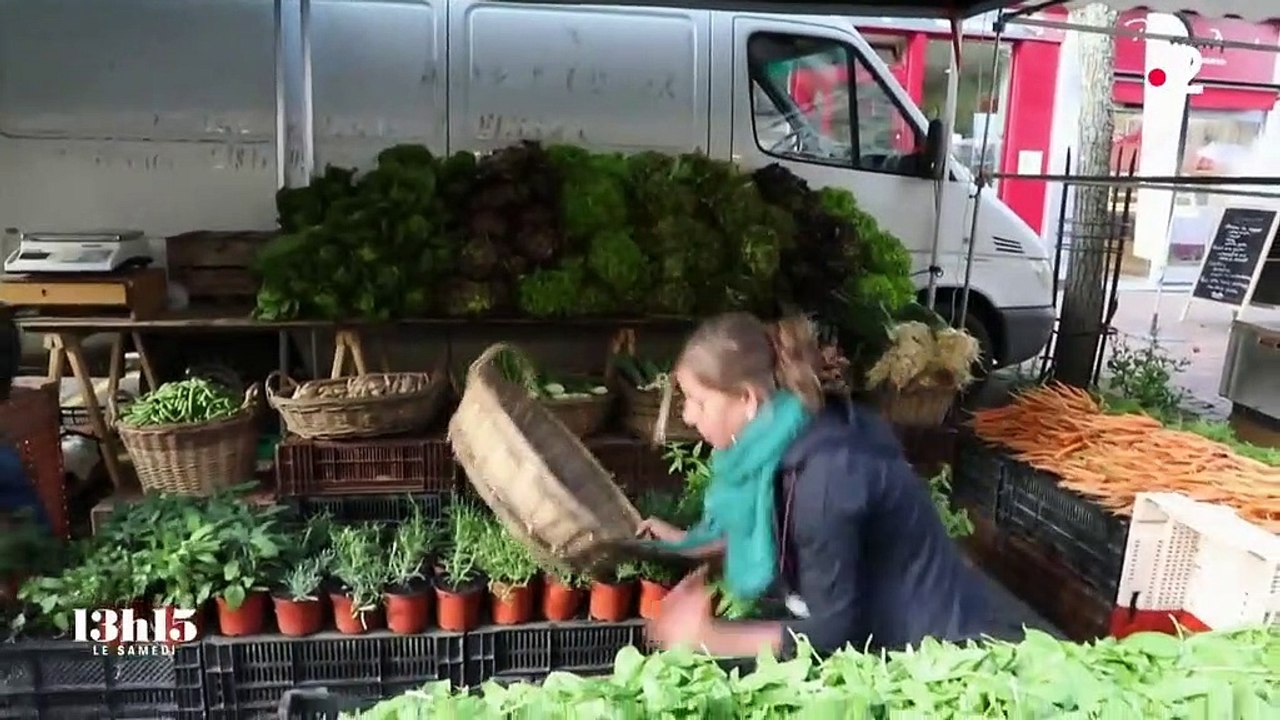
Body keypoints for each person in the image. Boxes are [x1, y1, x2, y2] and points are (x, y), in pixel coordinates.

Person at [638, 312, 1012, 659]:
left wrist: (709, 638)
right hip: (888, 636)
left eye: (698, 402)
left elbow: (833, 631)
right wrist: (689, 546)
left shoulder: (825, 476)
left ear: (747, 399)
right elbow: (769, 524)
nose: (687, 416)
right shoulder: (785, 438)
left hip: (938, 651)